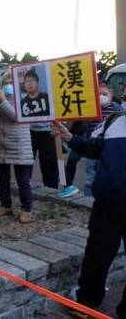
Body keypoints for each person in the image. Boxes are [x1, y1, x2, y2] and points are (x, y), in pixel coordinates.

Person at [51, 111, 126, 319]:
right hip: (108, 203)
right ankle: (86, 302)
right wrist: (69, 137)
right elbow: (94, 149)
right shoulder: (114, 121)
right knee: (97, 253)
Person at [0, 74, 34, 223]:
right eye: (6, 80)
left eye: (11, 80)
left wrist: (2, 101)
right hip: (2, 143)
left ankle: (26, 208)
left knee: (23, 179)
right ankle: (5, 205)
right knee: (3, 178)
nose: (8, 83)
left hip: (20, 144)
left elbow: (17, 117)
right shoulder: (2, 97)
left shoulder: (26, 97)